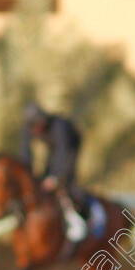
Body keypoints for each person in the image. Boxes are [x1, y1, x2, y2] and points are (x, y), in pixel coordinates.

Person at [19, 102, 90, 239]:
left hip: (70, 145)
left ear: (42, 121)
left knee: (65, 181)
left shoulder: (60, 127)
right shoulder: (27, 127)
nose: (35, 131)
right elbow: (25, 154)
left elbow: (63, 153)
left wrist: (56, 177)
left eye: (37, 126)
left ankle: (84, 217)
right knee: (44, 174)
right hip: (53, 148)